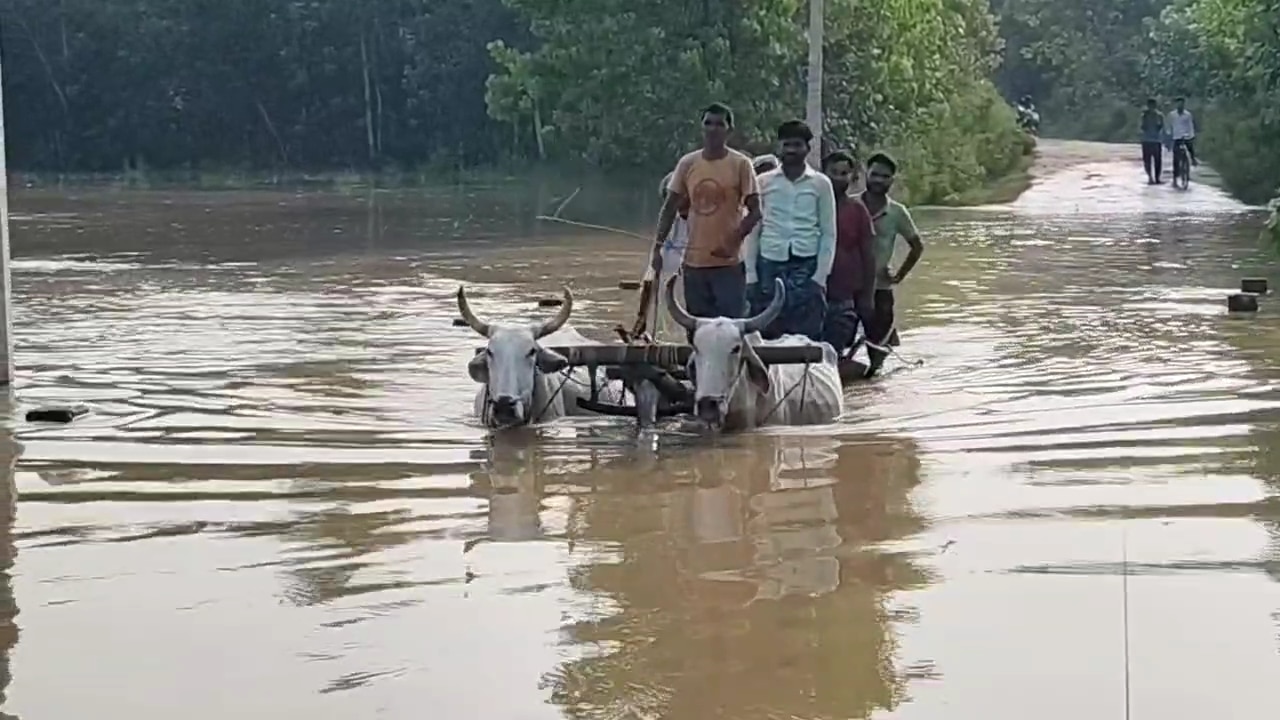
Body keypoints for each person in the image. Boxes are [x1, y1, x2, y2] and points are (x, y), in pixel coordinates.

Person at [650, 103, 761, 331]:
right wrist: (657, 248)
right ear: (701, 128)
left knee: (731, 331)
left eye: (719, 124)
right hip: (694, 266)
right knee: (698, 333)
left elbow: (756, 211)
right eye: (708, 123)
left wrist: (732, 242)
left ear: (729, 130)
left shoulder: (741, 164)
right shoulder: (688, 163)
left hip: (729, 265)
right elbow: (669, 207)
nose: (713, 129)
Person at [742, 120, 837, 341]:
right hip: (769, 264)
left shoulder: (821, 184)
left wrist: (820, 278)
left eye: (797, 145)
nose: (792, 150)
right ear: (779, 148)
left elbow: (828, 233)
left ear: (807, 148)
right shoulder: (762, 182)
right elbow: (754, 230)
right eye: (787, 145)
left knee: (806, 333)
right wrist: (751, 275)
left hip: (806, 265)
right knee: (766, 332)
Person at [861, 152, 923, 378]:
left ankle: (873, 384)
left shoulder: (897, 212)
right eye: (874, 174)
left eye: (885, 177)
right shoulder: (849, 206)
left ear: (892, 181)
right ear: (864, 174)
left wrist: (899, 276)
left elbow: (917, 246)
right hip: (849, 285)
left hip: (880, 287)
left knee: (878, 348)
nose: (878, 180)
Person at [819, 150, 877, 356]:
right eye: (833, 172)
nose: (838, 178)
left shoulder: (858, 210)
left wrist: (867, 296)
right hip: (811, 293)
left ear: (852, 177)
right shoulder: (810, 205)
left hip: (844, 296)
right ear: (823, 174)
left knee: (835, 352)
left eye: (844, 173)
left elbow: (869, 255)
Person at [1167, 96, 1198, 177]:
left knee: (1190, 148)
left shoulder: (1188, 115)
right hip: (1176, 137)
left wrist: (1191, 135)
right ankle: (1175, 176)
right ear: (1176, 104)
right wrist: (1169, 135)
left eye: (1182, 103)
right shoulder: (1172, 115)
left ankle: (1193, 159)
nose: (1180, 105)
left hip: (1186, 136)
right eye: (1179, 103)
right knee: (1176, 157)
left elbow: (1190, 125)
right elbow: (1169, 126)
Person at [1140, 98, 1165, 184]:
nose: (1151, 107)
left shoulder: (1159, 115)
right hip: (1147, 140)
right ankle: (1150, 177)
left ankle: (1157, 178)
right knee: (1147, 160)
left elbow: (1161, 126)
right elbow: (1141, 126)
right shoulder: (1144, 115)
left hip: (1156, 140)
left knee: (1157, 161)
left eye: (1152, 105)